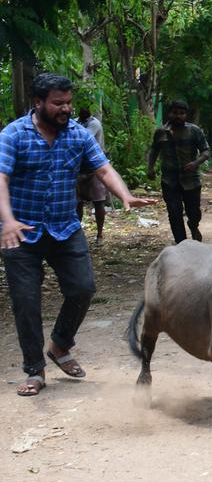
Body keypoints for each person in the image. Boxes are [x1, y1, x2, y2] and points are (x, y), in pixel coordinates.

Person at [1, 73, 156, 396]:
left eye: (69, 103)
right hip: (21, 231)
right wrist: (9, 220)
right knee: (26, 301)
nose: (66, 109)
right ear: (38, 102)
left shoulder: (78, 135)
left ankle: (59, 346)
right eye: (58, 103)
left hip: (64, 227)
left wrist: (125, 195)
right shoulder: (14, 135)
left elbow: (103, 169)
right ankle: (35, 370)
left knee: (83, 288)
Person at [147, 100, 211, 244]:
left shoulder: (194, 131)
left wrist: (195, 163)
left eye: (181, 113)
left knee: (193, 212)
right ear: (169, 113)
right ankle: (181, 243)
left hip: (191, 180)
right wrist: (150, 168)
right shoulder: (161, 132)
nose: (178, 116)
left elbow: (206, 151)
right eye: (175, 113)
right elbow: (154, 150)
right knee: (174, 212)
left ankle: (193, 226)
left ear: (186, 115)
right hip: (169, 181)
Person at [75, 106, 108, 245]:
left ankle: (99, 234)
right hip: (80, 167)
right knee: (77, 203)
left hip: (95, 166)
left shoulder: (94, 124)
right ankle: (77, 233)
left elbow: (82, 138)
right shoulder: (75, 121)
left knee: (98, 201)